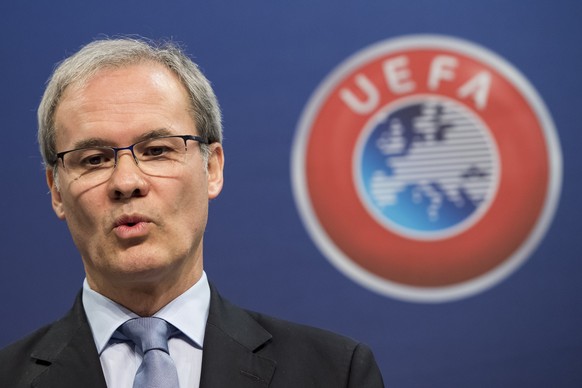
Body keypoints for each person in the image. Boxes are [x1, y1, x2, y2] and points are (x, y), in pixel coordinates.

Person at [0, 37, 384, 388]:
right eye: (95, 159)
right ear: (56, 191)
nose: (126, 181)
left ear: (212, 168)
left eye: (157, 150)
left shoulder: (335, 372)